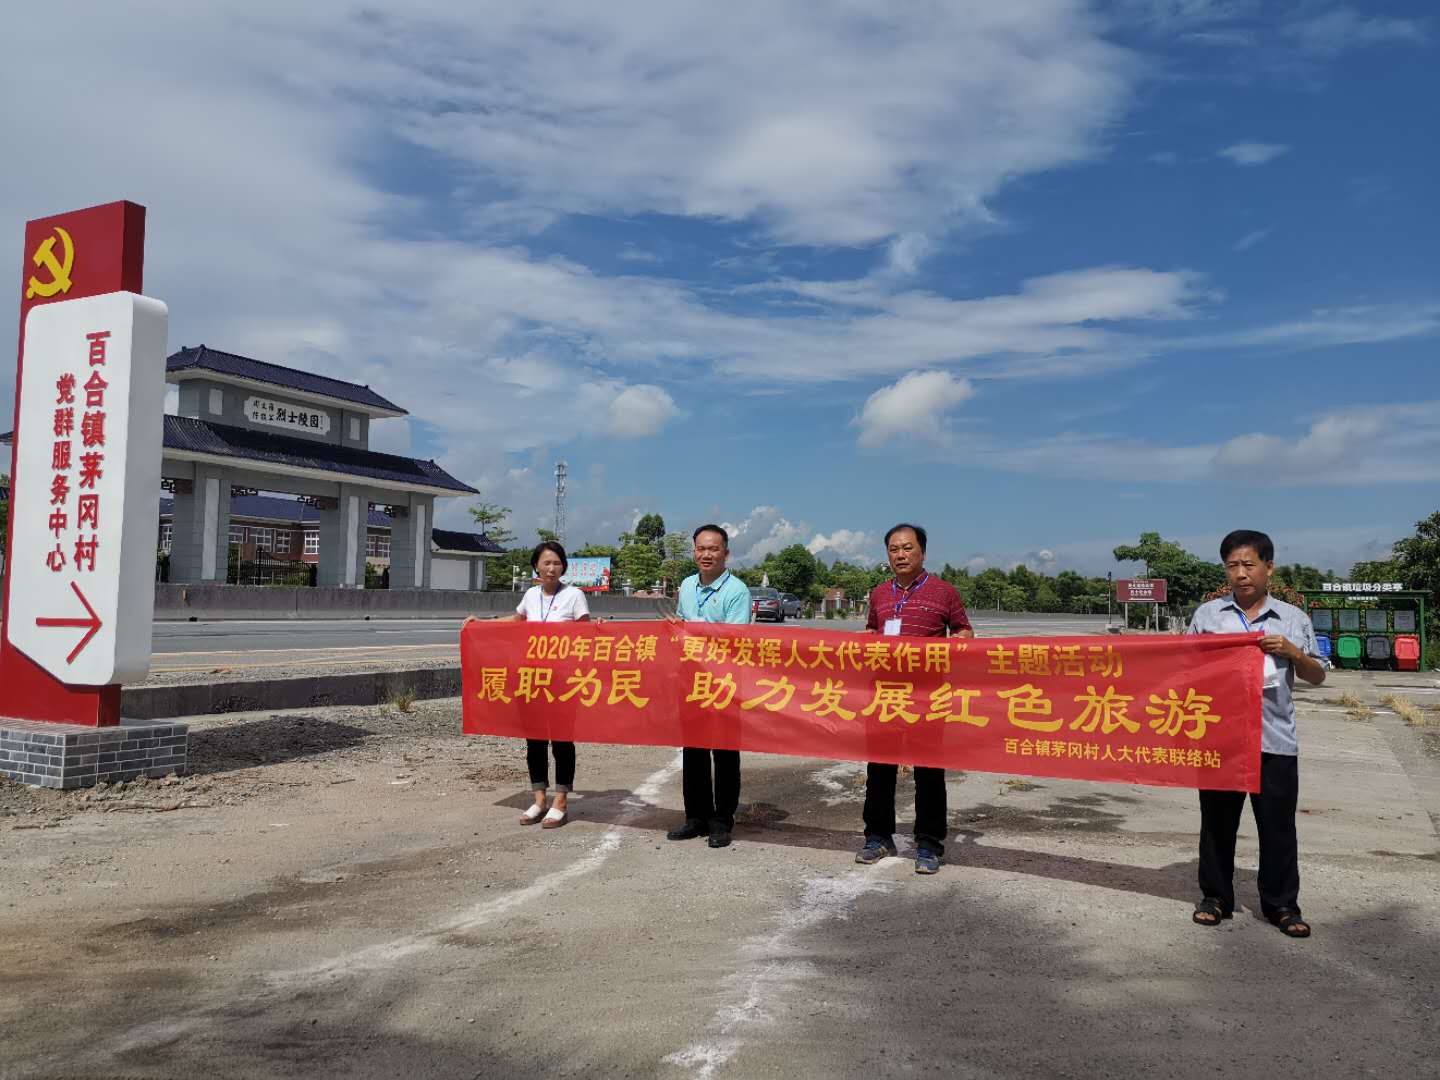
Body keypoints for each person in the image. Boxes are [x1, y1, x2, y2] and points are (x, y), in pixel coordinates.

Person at [1187, 529, 1325, 938]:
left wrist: (1294, 652)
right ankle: (1216, 898)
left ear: (1269, 568)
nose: (1241, 574)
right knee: (1216, 822)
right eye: (1233, 566)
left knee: (1277, 825)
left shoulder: (1293, 619)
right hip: (1221, 740)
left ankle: (1282, 905)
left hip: (1274, 738)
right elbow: (1183, 668)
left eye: (1249, 565)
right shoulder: (1208, 616)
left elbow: (1317, 675)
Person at [857, 523, 974, 875]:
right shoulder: (879, 594)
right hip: (885, 696)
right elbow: (870, 631)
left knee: (929, 772)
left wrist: (960, 642)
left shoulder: (944, 592)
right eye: (894, 549)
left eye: (907, 548)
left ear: (922, 552)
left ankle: (929, 843)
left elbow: (964, 630)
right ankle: (878, 837)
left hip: (927, 697)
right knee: (879, 769)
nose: (900, 555)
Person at [466, 540, 591, 829]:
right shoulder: (531, 595)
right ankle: (539, 799)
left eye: (557, 563)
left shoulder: (574, 595)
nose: (551, 568)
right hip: (532, 680)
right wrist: (481, 623)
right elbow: (516, 621)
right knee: (534, 741)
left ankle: (560, 801)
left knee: (561, 741)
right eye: (546, 563)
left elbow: (587, 637)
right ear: (536, 566)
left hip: (562, 681)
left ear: (564, 567)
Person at [667, 524, 752, 849]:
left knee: (725, 753)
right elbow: (679, 624)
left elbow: (736, 639)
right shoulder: (687, 585)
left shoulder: (737, 591)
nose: (706, 554)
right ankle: (696, 817)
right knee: (694, 750)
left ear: (725, 554)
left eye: (713, 549)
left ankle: (721, 821)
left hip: (726, 682)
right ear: (694, 552)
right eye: (701, 548)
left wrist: (696, 632)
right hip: (691, 681)